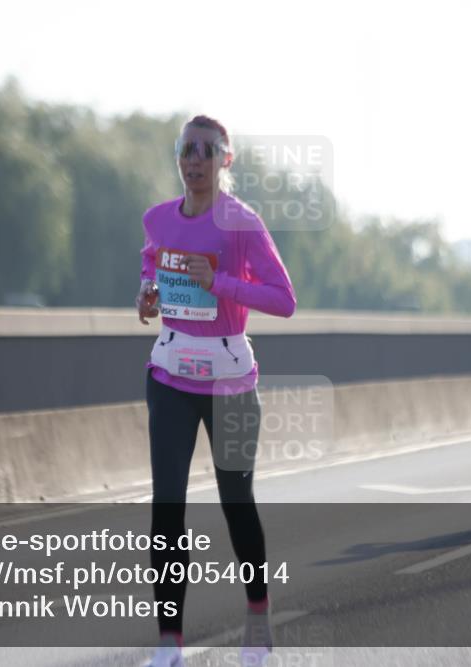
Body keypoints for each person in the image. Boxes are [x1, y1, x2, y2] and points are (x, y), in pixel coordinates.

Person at [136, 115, 297, 666]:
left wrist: (220, 284)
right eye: (187, 149)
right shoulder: (158, 218)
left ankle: (258, 616)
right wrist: (147, 294)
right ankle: (169, 644)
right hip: (170, 377)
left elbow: (283, 299)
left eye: (206, 150)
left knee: (236, 504)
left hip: (229, 381)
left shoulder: (242, 223)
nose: (194, 160)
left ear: (225, 159)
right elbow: (152, 265)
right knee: (166, 510)